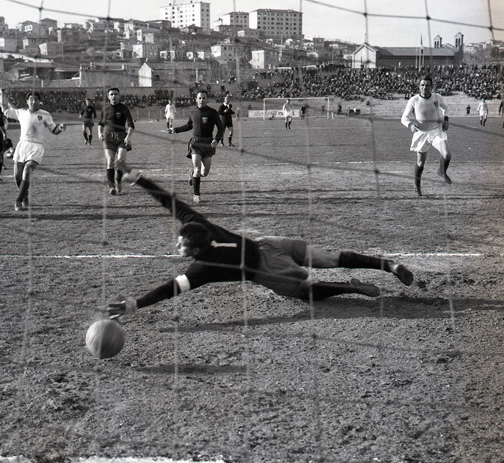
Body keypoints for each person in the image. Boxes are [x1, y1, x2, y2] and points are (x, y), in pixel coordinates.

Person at [107, 163, 414, 320]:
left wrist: (137, 303)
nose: (177, 246)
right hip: (269, 243)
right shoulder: (199, 224)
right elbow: (170, 201)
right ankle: (388, 265)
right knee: (330, 258)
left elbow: (170, 289)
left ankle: (350, 288)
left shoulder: (203, 268)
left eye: (181, 246)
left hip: (266, 269)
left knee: (305, 292)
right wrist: (140, 179)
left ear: (196, 251)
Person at [3, 91, 65, 211]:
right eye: (31, 99)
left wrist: (61, 128)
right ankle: (24, 196)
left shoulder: (45, 114)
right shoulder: (21, 112)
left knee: (27, 169)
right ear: (27, 101)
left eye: (36, 99)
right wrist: (2, 95)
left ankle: (18, 201)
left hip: (36, 146)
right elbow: (5, 109)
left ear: (39, 101)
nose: (33, 101)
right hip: (22, 145)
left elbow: (54, 130)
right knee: (17, 176)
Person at [169, 89, 224, 204]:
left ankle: (192, 174)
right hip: (196, 143)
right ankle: (196, 195)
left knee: (204, 173)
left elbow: (220, 128)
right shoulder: (193, 112)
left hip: (208, 143)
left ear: (207, 99)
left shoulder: (213, 112)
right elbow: (189, 126)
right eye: (199, 98)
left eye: (204, 98)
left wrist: (216, 140)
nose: (201, 100)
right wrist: (176, 130)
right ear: (196, 99)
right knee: (197, 169)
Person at [401, 75, 451, 197]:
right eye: (422, 85)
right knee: (420, 163)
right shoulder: (414, 100)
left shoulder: (437, 97)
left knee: (447, 154)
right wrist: (410, 125)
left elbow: (446, 108)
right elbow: (404, 118)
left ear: (431, 87)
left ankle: (442, 171)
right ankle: (417, 186)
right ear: (419, 87)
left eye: (427, 85)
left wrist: (446, 120)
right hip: (421, 133)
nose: (424, 87)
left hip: (436, 131)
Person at [97, 87, 135, 195]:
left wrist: (128, 137)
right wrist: (99, 133)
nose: (114, 96)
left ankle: (118, 180)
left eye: (115, 94)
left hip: (122, 136)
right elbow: (101, 124)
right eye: (111, 94)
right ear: (108, 96)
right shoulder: (105, 109)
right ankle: (111, 186)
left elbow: (131, 125)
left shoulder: (124, 108)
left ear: (119, 96)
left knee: (120, 161)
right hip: (109, 137)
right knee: (110, 161)